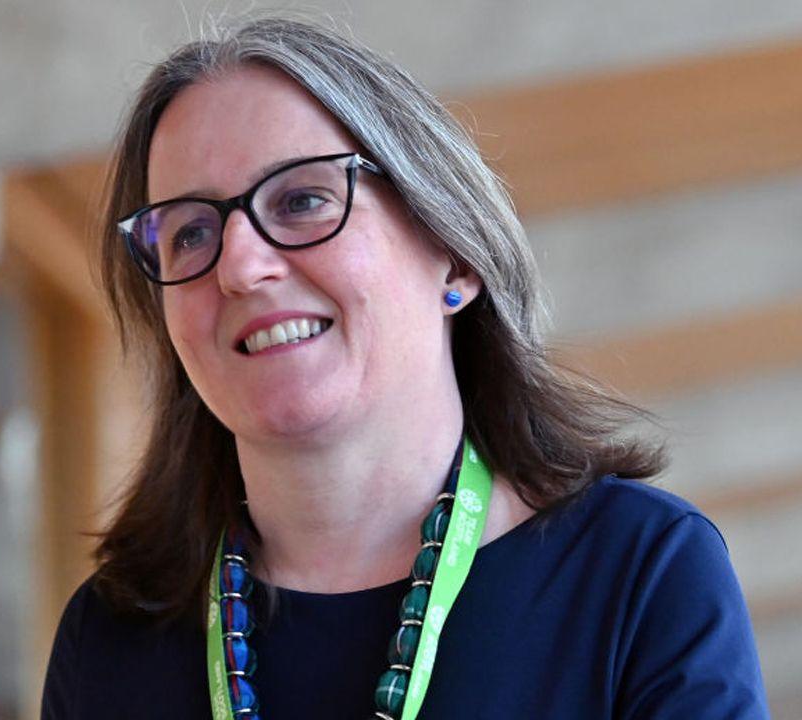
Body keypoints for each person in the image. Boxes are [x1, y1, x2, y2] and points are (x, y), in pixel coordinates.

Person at [41, 15, 768, 720]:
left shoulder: (635, 574)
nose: (240, 265)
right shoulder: (109, 640)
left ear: (453, 253)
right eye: (191, 231)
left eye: (301, 200)